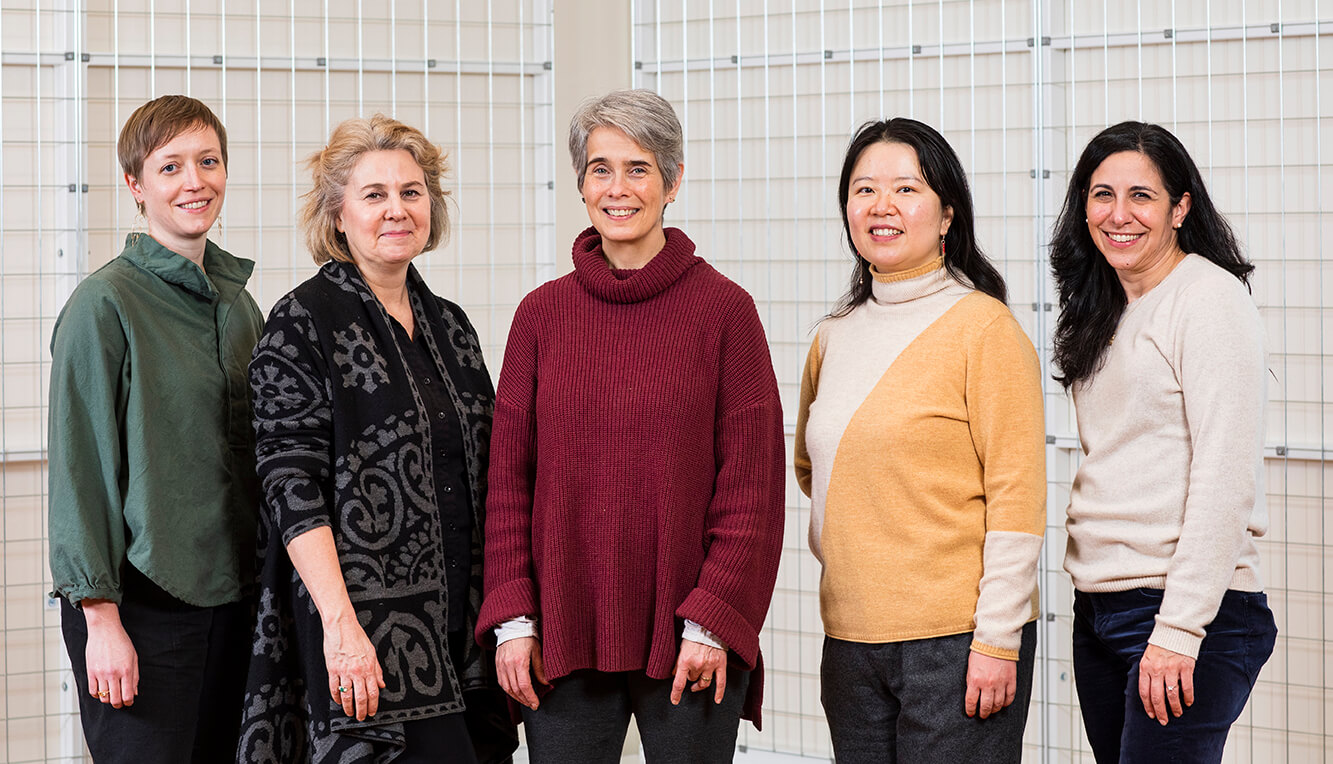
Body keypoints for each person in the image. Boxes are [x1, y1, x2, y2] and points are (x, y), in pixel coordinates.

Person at [478, 89, 785, 764]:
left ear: (673, 180)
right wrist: (513, 619)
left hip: (691, 641)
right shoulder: (540, 316)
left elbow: (752, 491)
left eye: (638, 168)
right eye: (599, 169)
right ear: (581, 184)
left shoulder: (725, 313)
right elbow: (507, 483)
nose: (617, 189)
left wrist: (712, 620)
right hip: (560, 635)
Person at [236, 115, 516, 764]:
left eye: (412, 192)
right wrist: (340, 626)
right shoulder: (301, 320)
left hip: (461, 635)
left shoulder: (452, 326)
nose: (397, 209)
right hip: (360, 634)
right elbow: (289, 483)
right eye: (374, 194)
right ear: (337, 215)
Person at [793, 118, 1046, 764]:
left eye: (905, 189)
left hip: (956, 642)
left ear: (945, 216)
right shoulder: (833, 335)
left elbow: (1017, 498)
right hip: (848, 642)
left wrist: (994, 641)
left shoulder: (983, 328)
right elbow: (815, 468)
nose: (881, 206)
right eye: (863, 189)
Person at [1053, 121, 1277, 763]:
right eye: (1101, 195)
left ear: (1180, 208)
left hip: (1185, 612)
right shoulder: (1105, 308)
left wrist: (1179, 629)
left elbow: (1224, 476)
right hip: (1101, 606)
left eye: (1142, 196)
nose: (1119, 215)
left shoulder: (1207, 299)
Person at [48, 95, 260, 762]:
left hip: (235, 602)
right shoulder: (103, 304)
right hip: (141, 608)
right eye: (170, 167)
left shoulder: (241, 303)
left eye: (208, 161)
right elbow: (79, 475)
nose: (194, 181)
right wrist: (99, 621)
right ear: (136, 186)